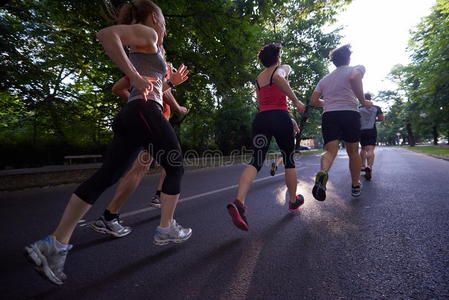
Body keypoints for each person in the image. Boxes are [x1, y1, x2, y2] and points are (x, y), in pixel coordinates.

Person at [24, 0, 191, 285]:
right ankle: (166, 228)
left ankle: (55, 243)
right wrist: (138, 78)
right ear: (154, 17)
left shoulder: (148, 45)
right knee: (175, 166)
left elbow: (153, 84)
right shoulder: (147, 33)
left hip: (133, 115)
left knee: (108, 175)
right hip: (144, 111)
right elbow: (106, 34)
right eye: (163, 20)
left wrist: (169, 82)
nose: (165, 26)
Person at [91, 74, 189, 238]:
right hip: (151, 121)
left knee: (144, 166)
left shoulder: (143, 63)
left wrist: (135, 102)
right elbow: (161, 90)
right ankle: (110, 215)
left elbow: (118, 88)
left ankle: (112, 214)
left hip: (145, 118)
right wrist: (178, 107)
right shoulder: (154, 61)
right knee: (163, 163)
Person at [226, 43, 306, 231]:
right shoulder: (282, 68)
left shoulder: (259, 78)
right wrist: (296, 101)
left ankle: (239, 201)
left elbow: (263, 103)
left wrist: (289, 119)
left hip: (262, 119)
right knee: (289, 160)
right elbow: (278, 78)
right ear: (278, 57)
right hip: (279, 117)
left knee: (256, 160)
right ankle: (293, 200)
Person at [310, 44, 372, 201]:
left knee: (330, 151)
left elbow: (314, 100)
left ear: (334, 62)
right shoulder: (356, 68)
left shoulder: (325, 79)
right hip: (349, 113)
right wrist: (363, 101)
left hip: (329, 115)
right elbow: (354, 78)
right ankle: (355, 185)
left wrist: (329, 103)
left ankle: (323, 173)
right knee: (353, 151)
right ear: (348, 58)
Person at [358, 93, 384, 180]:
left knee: (363, 149)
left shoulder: (358, 108)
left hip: (361, 130)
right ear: (370, 98)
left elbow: (354, 119)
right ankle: (369, 166)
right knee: (370, 149)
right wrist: (373, 119)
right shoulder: (376, 108)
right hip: (371, 130)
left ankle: (362, 166)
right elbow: (381, 119)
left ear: (362, 98)